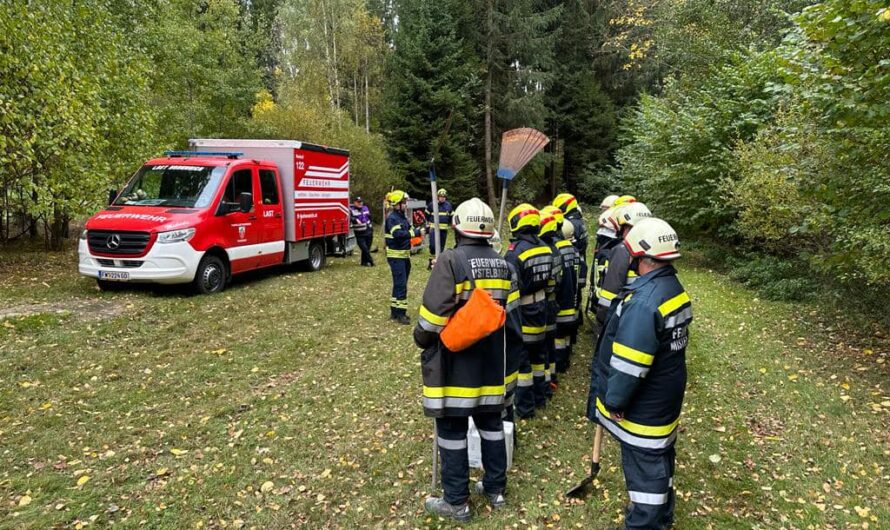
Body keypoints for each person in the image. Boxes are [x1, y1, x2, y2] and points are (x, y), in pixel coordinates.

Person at [586, 217, 691, 530]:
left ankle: (645, 523)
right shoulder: (672, 287)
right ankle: (664, 515)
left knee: (645, 467)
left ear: (643, 258)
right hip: (665, 394)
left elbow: (629, 366)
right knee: (660, 457)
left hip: (644, 405)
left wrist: (614, 402)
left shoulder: (645, 302)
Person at [414, 198, 511, 522]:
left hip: (455, 368)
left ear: (456, 226)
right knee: (492, 426)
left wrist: (421, 338)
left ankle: (456, 502)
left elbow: (431, 318)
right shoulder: (502, 264)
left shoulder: (451, 260)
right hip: (492, 363)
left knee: (452, 432)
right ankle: (495, 489)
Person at [503, 204, 552, 418]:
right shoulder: (546, 247)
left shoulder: (515, 253)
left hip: (523, 311)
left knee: (522, 362)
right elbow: (551, 283)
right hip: (542, 309)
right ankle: (541, 396)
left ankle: (525, 408)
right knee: (539, 357)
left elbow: (510, 285)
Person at [595, 202, 652, 326]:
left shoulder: (623, 250)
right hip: (645, 315)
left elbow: (610, 291)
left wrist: (602, 316)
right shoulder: (654, 248)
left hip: (622, 316)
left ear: (627, 226)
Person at [552, 193, 587, 354]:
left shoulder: (571, 224)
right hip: (576, 265)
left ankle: (571, 335)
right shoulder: (579, 222)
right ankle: (574, 329)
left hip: (570, 266)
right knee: (574, 299)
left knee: (570, 301)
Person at [385, 190, 423, 324]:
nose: (406, 204)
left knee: (400, 284)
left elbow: (410, 229)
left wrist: (421, 229)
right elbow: (398, 234)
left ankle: (395, 311)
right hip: (396, 257)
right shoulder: (392, 218)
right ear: (397, 204)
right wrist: (415, 232)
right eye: (404, 202)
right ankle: (400, 314)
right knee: (401, 285)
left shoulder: (402, 216)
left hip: (404, 256)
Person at [537, 206, 564, 399]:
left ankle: (546, 384)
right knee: (549, 347)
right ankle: (551, 379)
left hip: (545, 304)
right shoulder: (556, 250)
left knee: (543, 348)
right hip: (552, 304)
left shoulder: (546, 251)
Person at [425, 188, 454, 268]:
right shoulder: (432, 204)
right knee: (433, 246)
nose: (442, 198)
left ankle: (438, 264)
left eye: (444, 196)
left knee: (441, 247)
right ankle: (431, 262)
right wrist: (429, 223)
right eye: (441, 196)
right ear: (438, 197)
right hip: (433, 229)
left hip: (443, 230)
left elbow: (452, 216)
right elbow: (427, 214)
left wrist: (452, 224)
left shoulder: (448, 205)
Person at [350, 197, 374, 267]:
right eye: (358, 202)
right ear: (354, 202)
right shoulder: (351, 210)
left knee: (367, 248)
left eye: (361, 202)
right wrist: (355, 219)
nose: (360, 203)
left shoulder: (365, 208)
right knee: (364, 248)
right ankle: (371, 261)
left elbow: (369, 217)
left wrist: (371, 224)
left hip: (368, 231)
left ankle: (364, 262)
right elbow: (349, 217)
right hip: (359, 233)